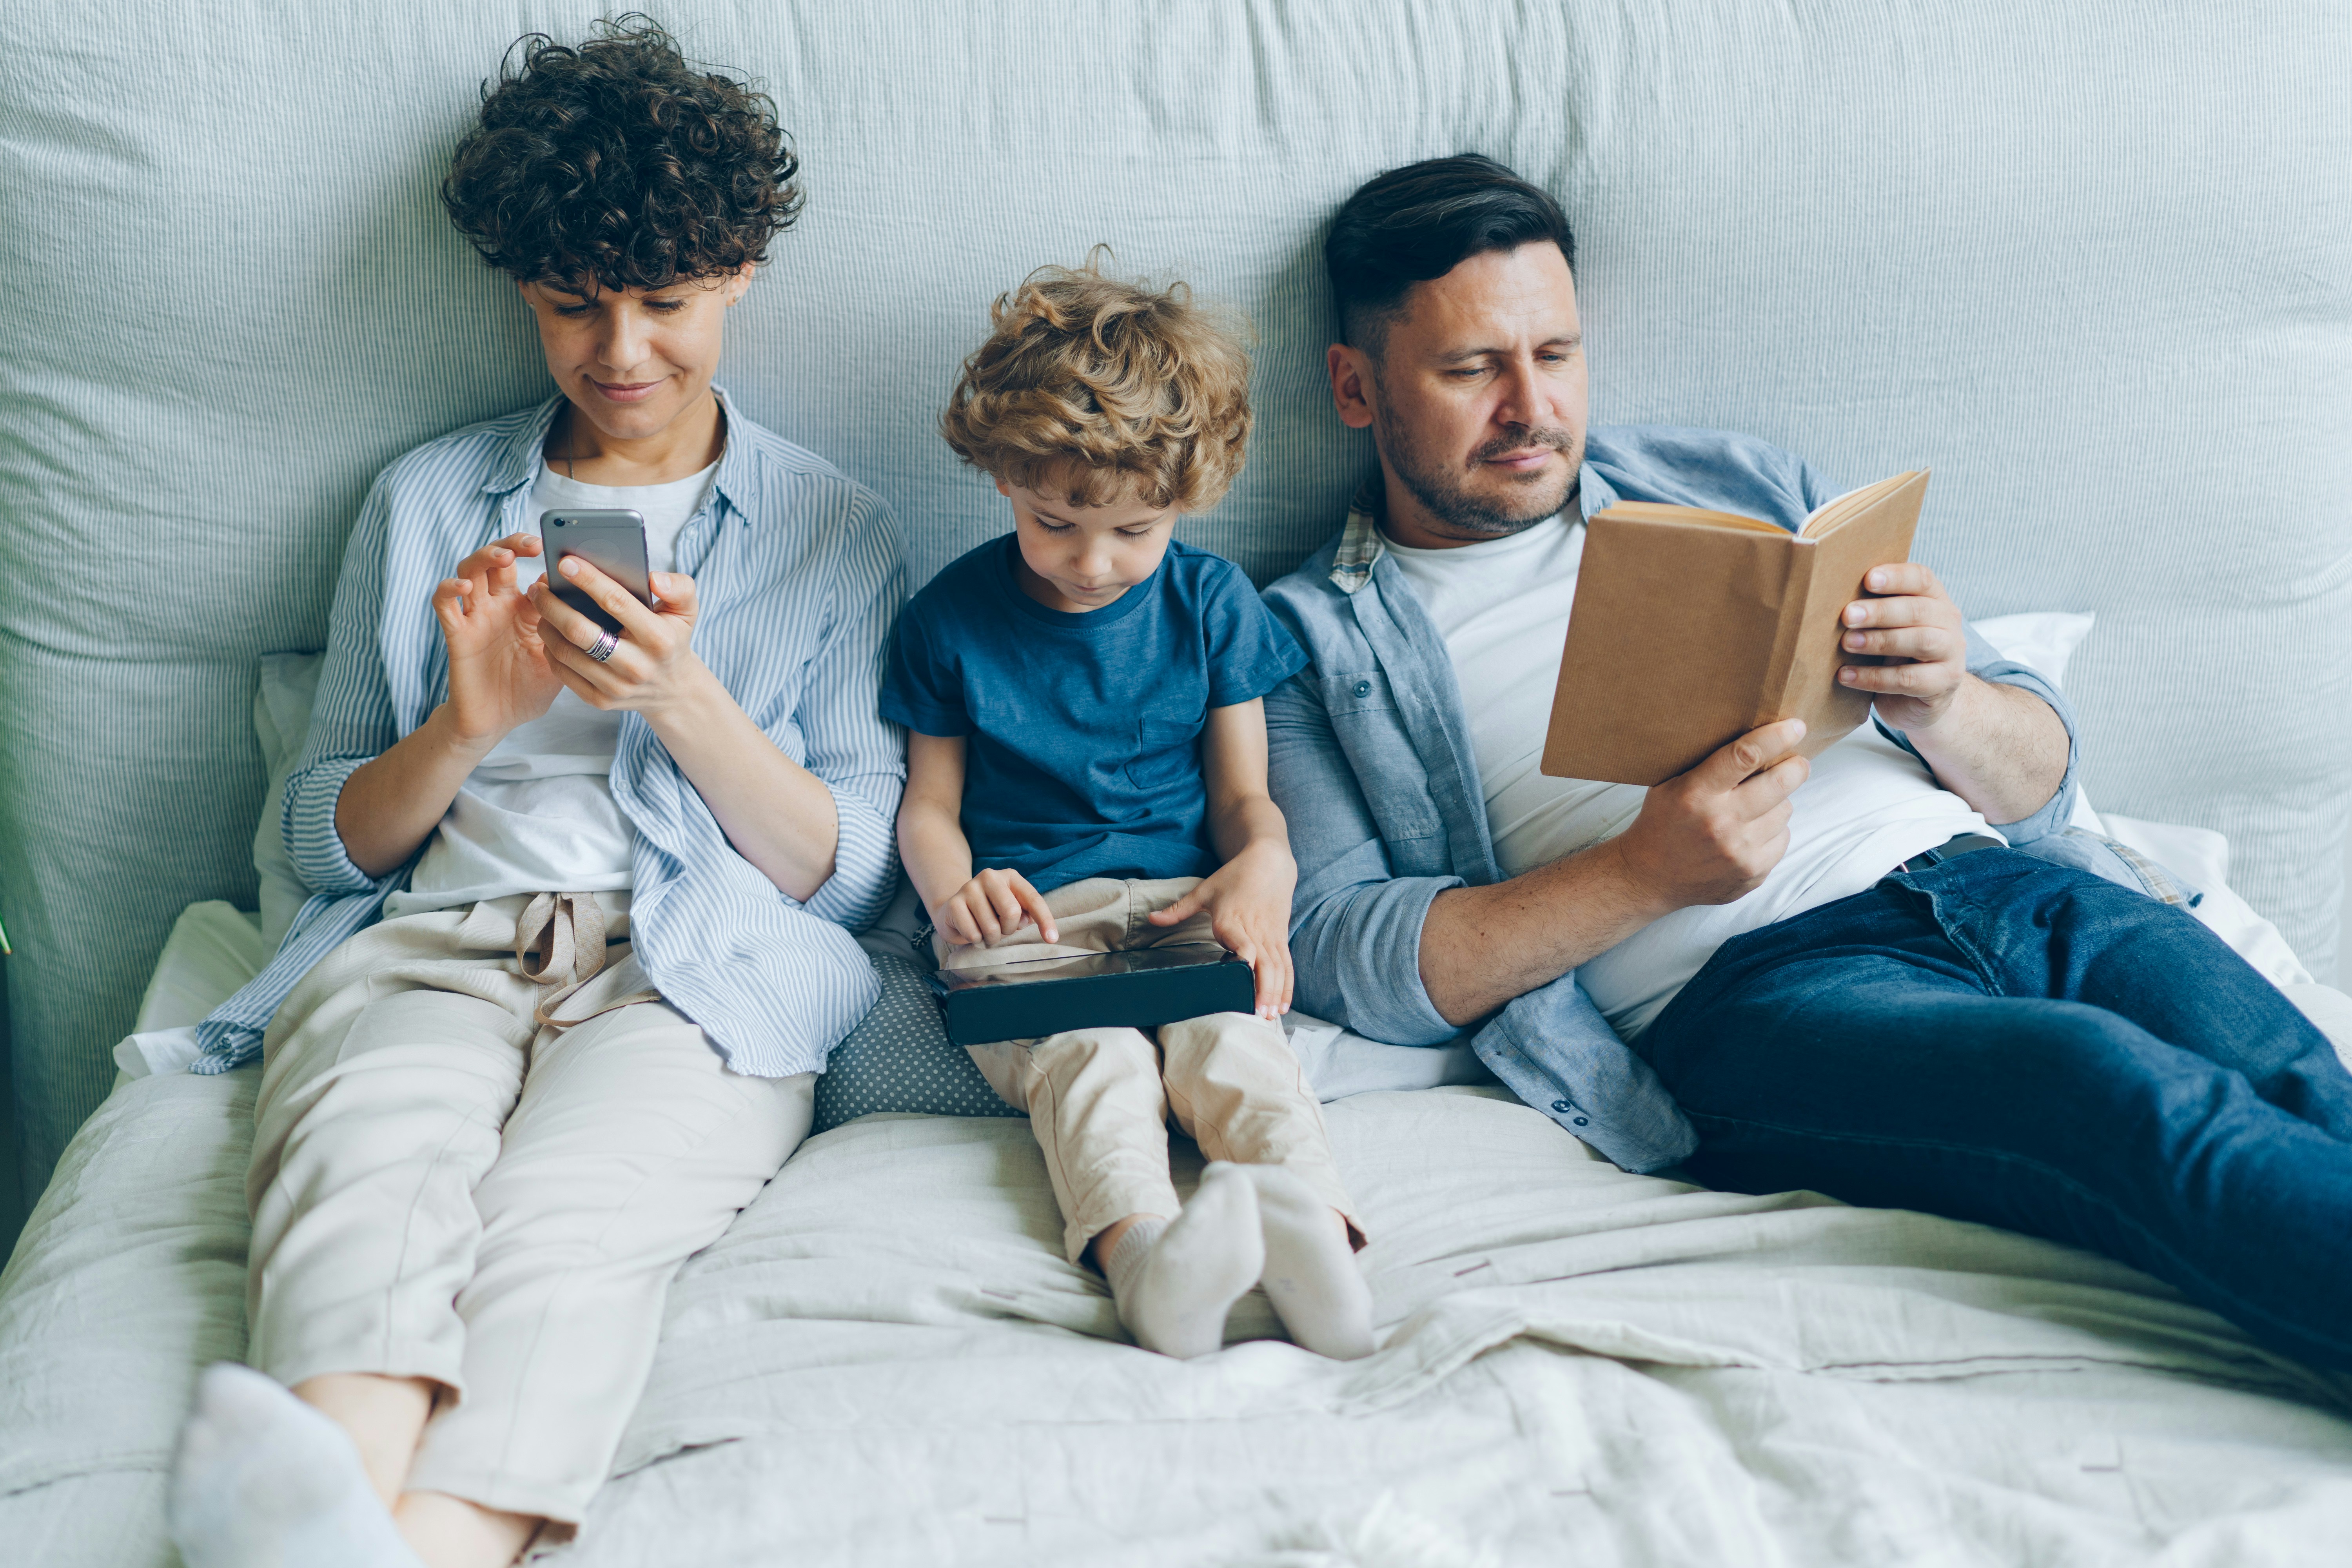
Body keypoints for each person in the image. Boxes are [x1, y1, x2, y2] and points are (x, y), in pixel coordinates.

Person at [1264, 153, 2352, 1370]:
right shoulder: (1305, 639)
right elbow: (1344, 951)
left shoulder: (1735, 484)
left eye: (1557, 355)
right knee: (2123, 1095)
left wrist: (1945, 697)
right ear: (1357, 389)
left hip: (1996, 881)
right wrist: (1646, 874)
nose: (1533, 410)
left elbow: (2042, 783)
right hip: (1762, 995)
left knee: (2297, 1079)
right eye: (1473, 370)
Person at [165, 23, 904, 1568]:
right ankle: (323, 1515)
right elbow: (317, 840)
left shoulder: (836, 531)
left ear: (742, 275)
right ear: (521, 288)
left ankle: (390, 1546)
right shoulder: (429, 497)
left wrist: (685, 703)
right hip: (434, 942)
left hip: (686, 973)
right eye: (575, 305)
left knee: (569, 1245)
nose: (621, 353)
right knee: (362, 1185)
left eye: (667, 303)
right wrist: (461, 726)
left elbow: (848, 871)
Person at [886, 260, 1374, 1361]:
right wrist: (954, 888)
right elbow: (930, 806)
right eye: (1057, 521)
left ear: (1185, 506)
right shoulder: (948, 620)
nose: (1093, 563)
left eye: (1135, 531)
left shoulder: (1210, 605)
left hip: (1179, 907)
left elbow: (1246, 798)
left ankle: (1320, 1250)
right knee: (1094, 1057)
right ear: (1004, 475)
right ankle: (1146, 1260)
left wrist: (1264, 868)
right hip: (1030, 928)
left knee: (1234, 1051)